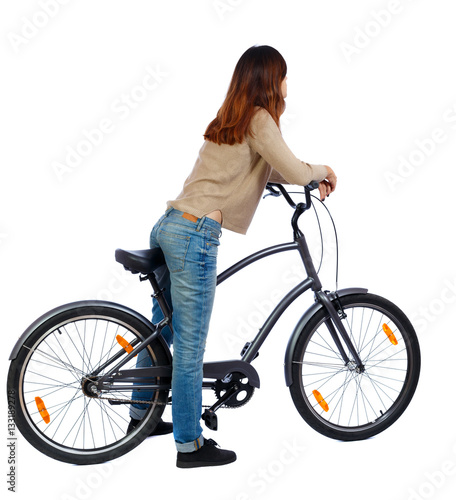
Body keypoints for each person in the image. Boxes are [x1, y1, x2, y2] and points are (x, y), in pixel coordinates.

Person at [129, 45, 337, 468]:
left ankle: (142, 416)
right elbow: (297, 170)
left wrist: (290, 179)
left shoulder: (230, 118)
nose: (286, 85)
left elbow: (268, 167)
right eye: (283, 76)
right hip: (194, 235)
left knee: (163, 330)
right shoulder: (260, 118)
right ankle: (190, 445)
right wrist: (323, 171)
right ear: (270, 79)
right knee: (190, 345)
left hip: (171, 223)